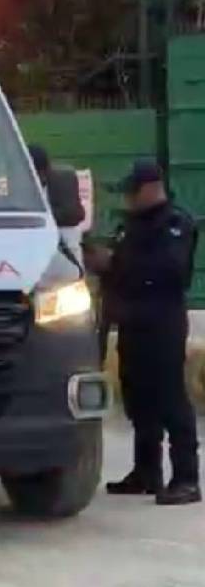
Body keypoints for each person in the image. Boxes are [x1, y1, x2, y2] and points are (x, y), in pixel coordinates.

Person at [85, 159, 201, 505]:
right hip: (132, 324)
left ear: (151, 189)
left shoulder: (174, 224)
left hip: (161, 324)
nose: (128, 200)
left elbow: (170, 270)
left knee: (170, 399)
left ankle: (186, 478)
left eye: (132, 193)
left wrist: (115, 263)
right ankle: (146, 472)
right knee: (139, 400)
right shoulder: (132, 226)